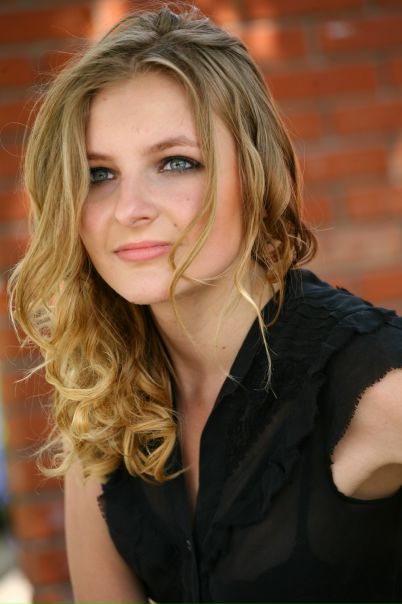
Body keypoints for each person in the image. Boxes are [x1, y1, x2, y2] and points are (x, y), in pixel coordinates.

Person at [8, 4, 402, 603]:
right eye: (98, 174)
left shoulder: (377, 385)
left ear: (256, 173)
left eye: (176, 163)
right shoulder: (103, 405)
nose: (129, 210)